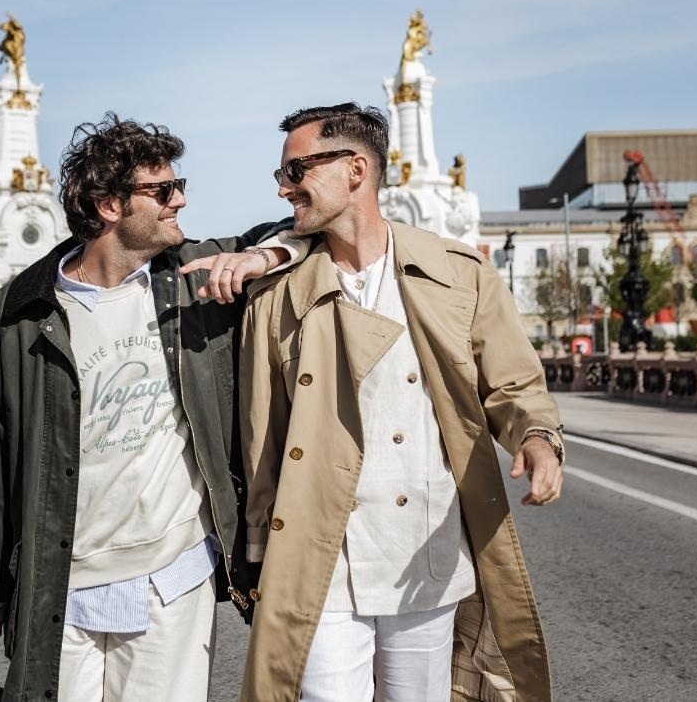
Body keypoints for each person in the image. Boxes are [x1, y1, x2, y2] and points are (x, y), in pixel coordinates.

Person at [0, 114, 307, 702]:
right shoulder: (20, 312)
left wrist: (262, 259)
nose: (180, 200)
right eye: (163, 190)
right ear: (110, 205)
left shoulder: (194, 278)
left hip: (174, 576)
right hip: (59, 585)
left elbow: (302, 227)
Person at [237, 103, 565, 702]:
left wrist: (538, 438)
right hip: (320, 556)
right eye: (282, 174)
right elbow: (263, 433)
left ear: (356, 170)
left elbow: (514, 385)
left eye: (297, 170)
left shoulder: (459, 275)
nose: (284, 187)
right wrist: (257, 549)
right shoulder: (276, 293)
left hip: (424, 552)